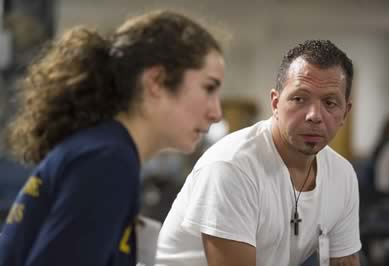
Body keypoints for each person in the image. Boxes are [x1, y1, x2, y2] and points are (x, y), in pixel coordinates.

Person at [0, 10, 225, 266]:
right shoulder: (107, 160)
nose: (216, 113)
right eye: (208, 88)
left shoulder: (103, 150)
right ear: (156, 82)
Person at [156, 40, 361, 266]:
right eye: (299, 99)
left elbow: (344, 261)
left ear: (345, 113)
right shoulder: (231, 166)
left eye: (330, 103)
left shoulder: (342, 174)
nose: (314, 115)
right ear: (275, 103)